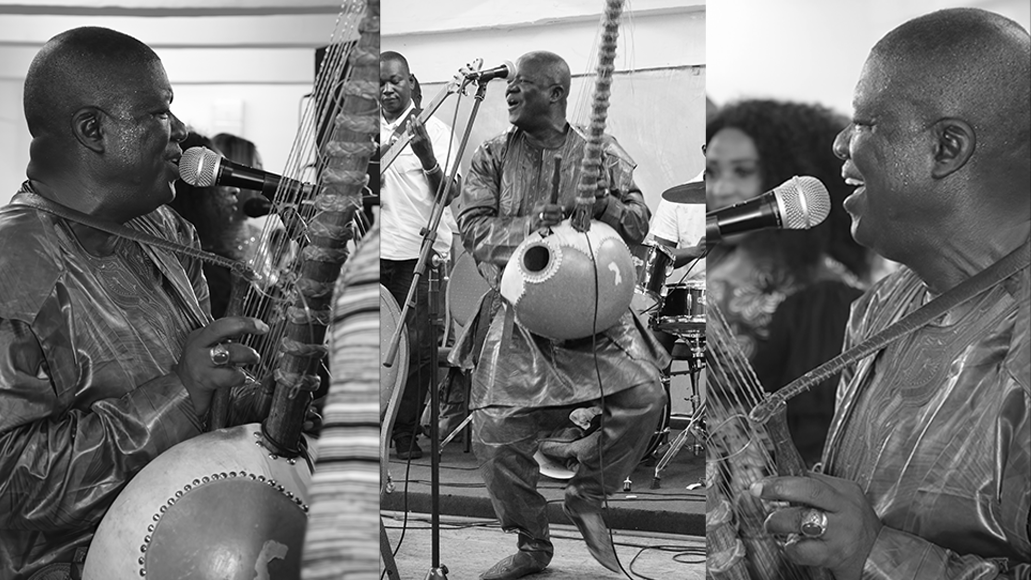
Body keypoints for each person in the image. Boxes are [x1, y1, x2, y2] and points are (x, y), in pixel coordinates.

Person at [753, 8, 1030, 579]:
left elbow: (865, 542)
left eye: (864, 122)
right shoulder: (881, 308)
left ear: (946, 148)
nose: (840, 144)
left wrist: (873, 554)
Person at [0, 27, 269, 579]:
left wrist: (259, 394)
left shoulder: (165, 229)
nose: (182, 131)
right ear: (92, 130)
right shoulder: (12, 260)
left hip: (193, 538)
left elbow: (208, 395)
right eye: (160, 112)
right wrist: (181, 391)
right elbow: (10, 482)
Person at [454, 50, 669, 580]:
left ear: (555, 93)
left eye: (522, 83)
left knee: (645, 397)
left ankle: (587, 491)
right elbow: (473, 228)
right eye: (509, 83)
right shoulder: (491, 155)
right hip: (522, 316)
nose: (510, 90)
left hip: (594, 314)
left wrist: (604, 206)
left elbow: (638, 224)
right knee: (493, 433)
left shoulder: (602, 153)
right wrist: (533, 224)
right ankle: (533, 542)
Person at [706, 99, 872, 465]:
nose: (721, 189)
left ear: (785, 179)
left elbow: (816, 436)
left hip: (757, 485)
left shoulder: (825, 295)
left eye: (743, 171)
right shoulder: (711, 259)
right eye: (712, 172)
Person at [379, 50, 461, 460]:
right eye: (379, 83)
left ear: (411, 83)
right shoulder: (368, 134)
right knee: (374, 348)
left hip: (420, 255)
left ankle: (405, 433)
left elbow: (451, 192)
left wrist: (426, 155)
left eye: (395, 80)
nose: (387, 89)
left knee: (417, 348)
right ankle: (376, 428)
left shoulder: (438, 132)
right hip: (375, 254)